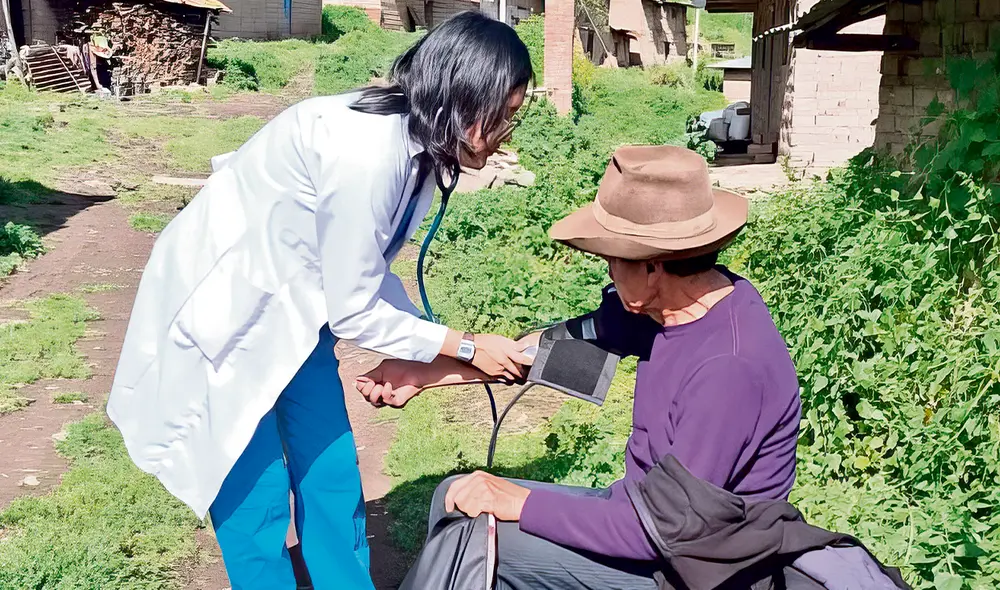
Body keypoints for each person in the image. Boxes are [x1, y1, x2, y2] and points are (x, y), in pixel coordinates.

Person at [107, 12, 534, 590]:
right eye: (503, 114)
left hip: (297, 318)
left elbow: (367, 271)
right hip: (226, 324)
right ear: (462, 95)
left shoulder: (416, 150)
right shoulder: (366, 151)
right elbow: (355, 307)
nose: (507, 130)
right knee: (255, 495)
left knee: (330, 472)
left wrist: (430, 355)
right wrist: (462, 347)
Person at [356, 145, 802, 589]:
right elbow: (567, 350)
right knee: (456, 495)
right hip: (642, 514)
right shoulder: (673, 306)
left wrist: (521, 503)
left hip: (697, 567)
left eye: (612, 260)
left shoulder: (729, 368)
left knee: (474, 539)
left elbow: (667, 527)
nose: (608, 274)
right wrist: (428, 372)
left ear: (652, 266)